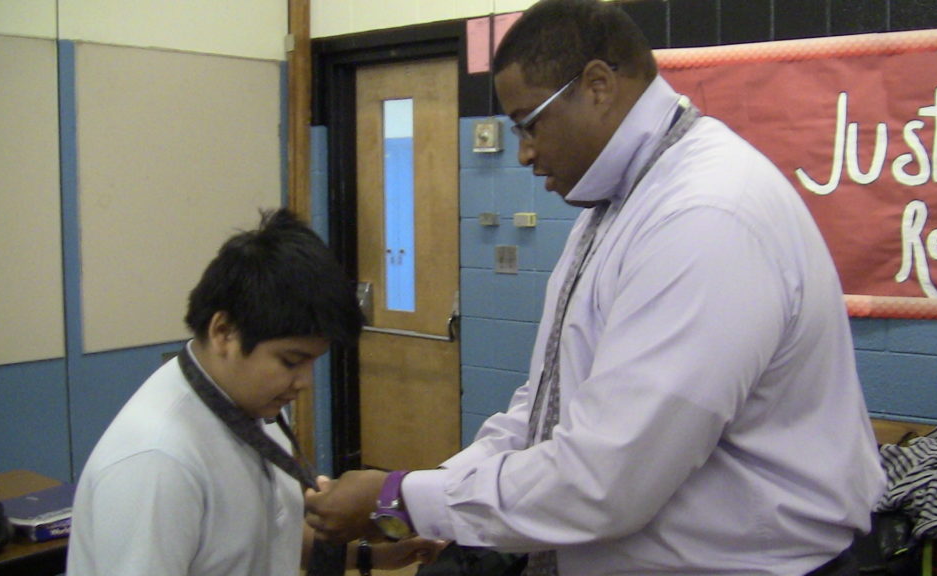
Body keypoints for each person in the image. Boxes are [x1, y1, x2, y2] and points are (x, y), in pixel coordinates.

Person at [304, 1, 886, 574]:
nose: (525, 153)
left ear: (599, 85)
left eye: (529, 124)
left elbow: (608, 479)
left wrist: (403, 498)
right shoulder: (616, 203)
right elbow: (546, 407)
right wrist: (434, 493)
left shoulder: (704, 214)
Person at [66, 208, 443, 576]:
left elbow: (263, 534)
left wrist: (373, 558)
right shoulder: (157, 463)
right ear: (224, 332)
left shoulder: (248, 407)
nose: (304, 382)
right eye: (291, 361)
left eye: (312, 362)